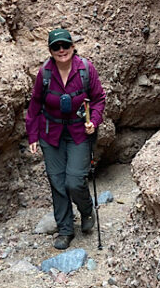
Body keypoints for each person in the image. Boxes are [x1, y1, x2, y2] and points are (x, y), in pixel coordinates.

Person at [26, 27, 106, 250]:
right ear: (51, 51)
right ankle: (65, 229)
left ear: (72, 46)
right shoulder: (45, 73)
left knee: (74, 180)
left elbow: (99, 99)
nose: (61, 50)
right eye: (56, 47)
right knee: (57, 182)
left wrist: (95, 120)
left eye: (65, 45)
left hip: (79, 132)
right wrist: (32, 134)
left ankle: (87, 209)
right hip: (50, 133)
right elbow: (34, 106)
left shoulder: (86, 70)